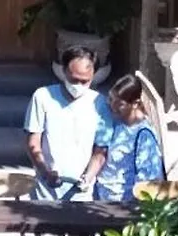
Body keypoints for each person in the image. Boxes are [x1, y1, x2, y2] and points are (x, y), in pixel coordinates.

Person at [25, 47, 104, 201]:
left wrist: (88, 177)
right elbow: (33, 142)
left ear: (93, 75)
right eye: (74, 80)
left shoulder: (99, 103)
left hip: (82, 192)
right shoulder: (43, 97)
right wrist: (45, 172)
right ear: (64, 71)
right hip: (45, 191)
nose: (78, 85)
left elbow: (100, 150)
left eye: (85, 81)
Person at [78, 74, 166, 203]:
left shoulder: (144, 135)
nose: (113, 107)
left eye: (120, 104)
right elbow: (100, 154)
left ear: (135, 104)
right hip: (102, 197)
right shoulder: (115, 122)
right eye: (111, 100)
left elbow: (148, 180)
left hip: (124, 202)